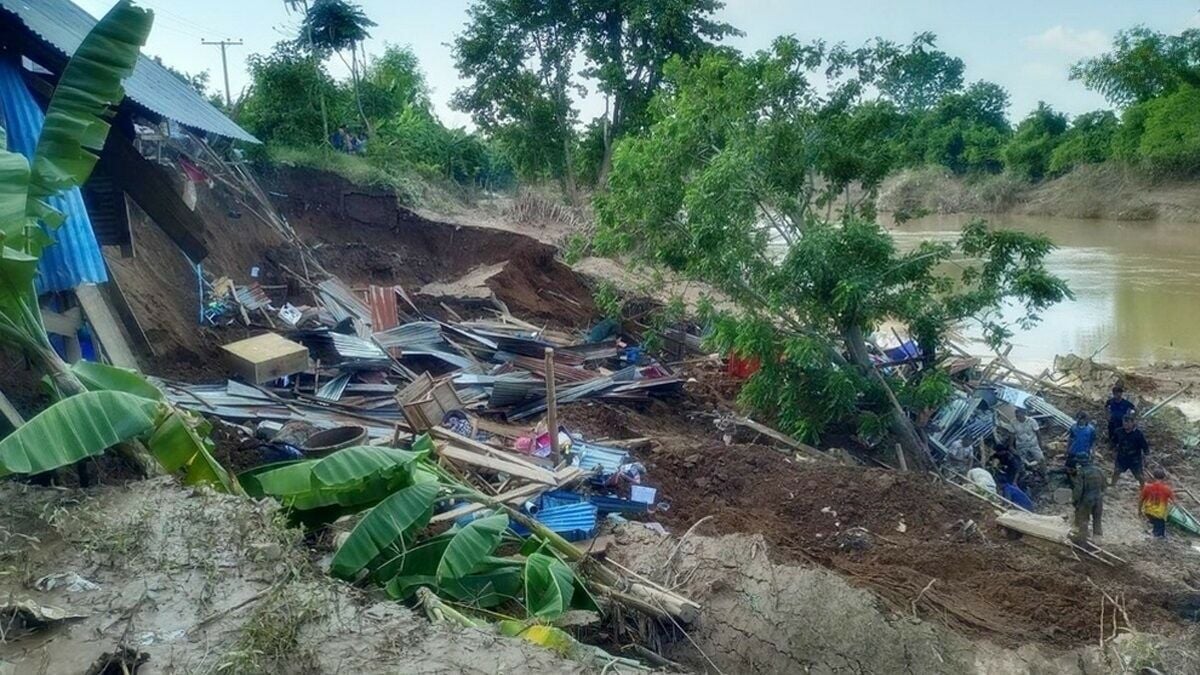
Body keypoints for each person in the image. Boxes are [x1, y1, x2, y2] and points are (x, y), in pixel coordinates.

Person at [1070, 456, 1106, 543]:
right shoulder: (1099, 470)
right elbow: (1104, 486)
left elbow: (1078, 490)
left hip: (1086, 500)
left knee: (1084, 518)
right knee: (1097, 518)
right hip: (1098, 498)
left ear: (1080, 463)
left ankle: (1083, 538)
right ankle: (1097, 538)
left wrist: (1074, 500)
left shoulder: (1082, 473)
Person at [1111, 414, 1150, 487]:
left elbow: (1145, 446)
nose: (1125, 424)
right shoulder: (1118, 431)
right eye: (1124, 422)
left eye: (1127, 422)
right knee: (1116, 472)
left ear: (1133, 423)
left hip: (1135, 459)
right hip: (1122, 457)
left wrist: (1146, 457)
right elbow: (1114, 442)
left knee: (1139, 476)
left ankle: (1143, 488)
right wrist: (1113, 451)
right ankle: (1112, 485)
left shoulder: (1138, 434)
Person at [1139, 467, 1176, 539]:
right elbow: (1175, 502)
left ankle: (1151, 533)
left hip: (1148, 512)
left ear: (1153, 477)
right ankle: (1153, 539)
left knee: (1158, 527)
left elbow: (1141, 500)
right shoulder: (1167, 489)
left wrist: (1139, 511)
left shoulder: (1147, 487)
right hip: (1159, 515)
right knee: (1159, 535)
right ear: (1164, 478)